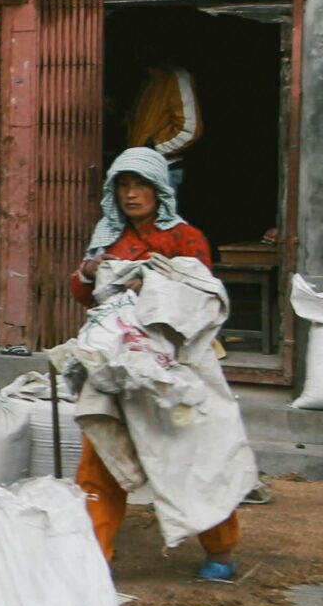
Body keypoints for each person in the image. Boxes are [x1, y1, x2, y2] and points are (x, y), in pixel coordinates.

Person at [70, 147, 251, 582]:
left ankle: (221, 550)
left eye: (141, 185)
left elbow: (200, 296)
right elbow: (85, 295)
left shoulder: (186, 237)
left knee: (194, 454)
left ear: (159, 190)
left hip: (175, 366)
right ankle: (96, 556)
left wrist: (149, 282)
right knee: (102, 455)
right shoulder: (107, 237)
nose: (132, 195)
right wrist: (89, 273)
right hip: (117, 364)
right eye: (124, 186)